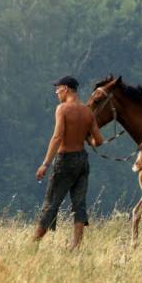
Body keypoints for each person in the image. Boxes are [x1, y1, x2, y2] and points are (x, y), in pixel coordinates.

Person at [34, 75, 104, 250]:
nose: (56, 92)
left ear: (65, 88)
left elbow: (57, 137)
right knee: (79, 203)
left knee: (51, 202)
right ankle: (76, 245)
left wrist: (45, 163)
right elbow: (99, 141)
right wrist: (88, 140)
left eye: (57, 89)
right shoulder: (87, 111)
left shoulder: (62, 109)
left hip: (65, 160)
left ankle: (33, 243)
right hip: (82, 160)